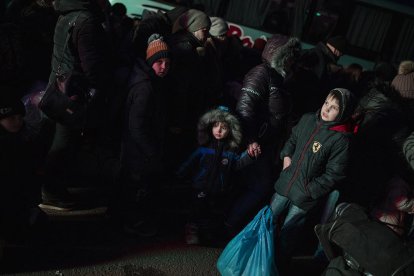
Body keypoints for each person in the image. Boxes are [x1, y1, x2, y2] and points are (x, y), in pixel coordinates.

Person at [270, 88, 356, 271]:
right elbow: (292, 139)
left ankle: (277, 267)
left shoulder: (341, 140)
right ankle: (259, 257)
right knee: (268, 220)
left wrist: (310, 190)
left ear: (343, 113)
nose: (326, 109)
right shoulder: (308, 119)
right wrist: (286, 157)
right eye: (326, 103)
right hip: (286, 183)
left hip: (304, 195)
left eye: (334, 108)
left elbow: (335, 174)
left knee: (288, 233)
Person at [39, 0, 113, 210]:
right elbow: (92, 66)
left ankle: (53, 188)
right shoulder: (86, 20)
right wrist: (98, 88)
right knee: (64, 142)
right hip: (73, 92)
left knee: (59, 140)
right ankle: (52, 191)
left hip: (58, 87)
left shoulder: (65, 16)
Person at [225, 34, 301, 235]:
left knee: (252, 185)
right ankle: (229, 225)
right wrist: (251, 139)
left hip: (266, 144)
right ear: (279, 55)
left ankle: (230, 225)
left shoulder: (281, 78)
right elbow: (245, 107)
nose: (293, 60)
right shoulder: (262, 73)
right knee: (259, 186)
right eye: (289, 55)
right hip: (254, 143)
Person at [112, 33, 171, 237]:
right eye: (159, 61)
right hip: (139, 151)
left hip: (135, 149)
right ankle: (132, 224)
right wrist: (152, 152)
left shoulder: (148, 80)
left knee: (128, 186)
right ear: (150, 61)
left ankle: (119, 219)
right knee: (136, 190)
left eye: (167, 62)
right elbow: (136, 125)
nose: (163, 66)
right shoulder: (146, 87)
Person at [177, 106, 260, 245]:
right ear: (210, 126)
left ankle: (209, 233)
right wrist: (180, 173)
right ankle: (192, 231)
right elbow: (189, 163)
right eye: (216, 125)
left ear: (231, 130)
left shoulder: (231, 152)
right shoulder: (204, 148)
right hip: (201, 186)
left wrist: (249, 156)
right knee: (197, 210)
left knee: (212, 212)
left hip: (219, 188)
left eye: (224, 127)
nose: (219, 130)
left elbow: (238, 164)